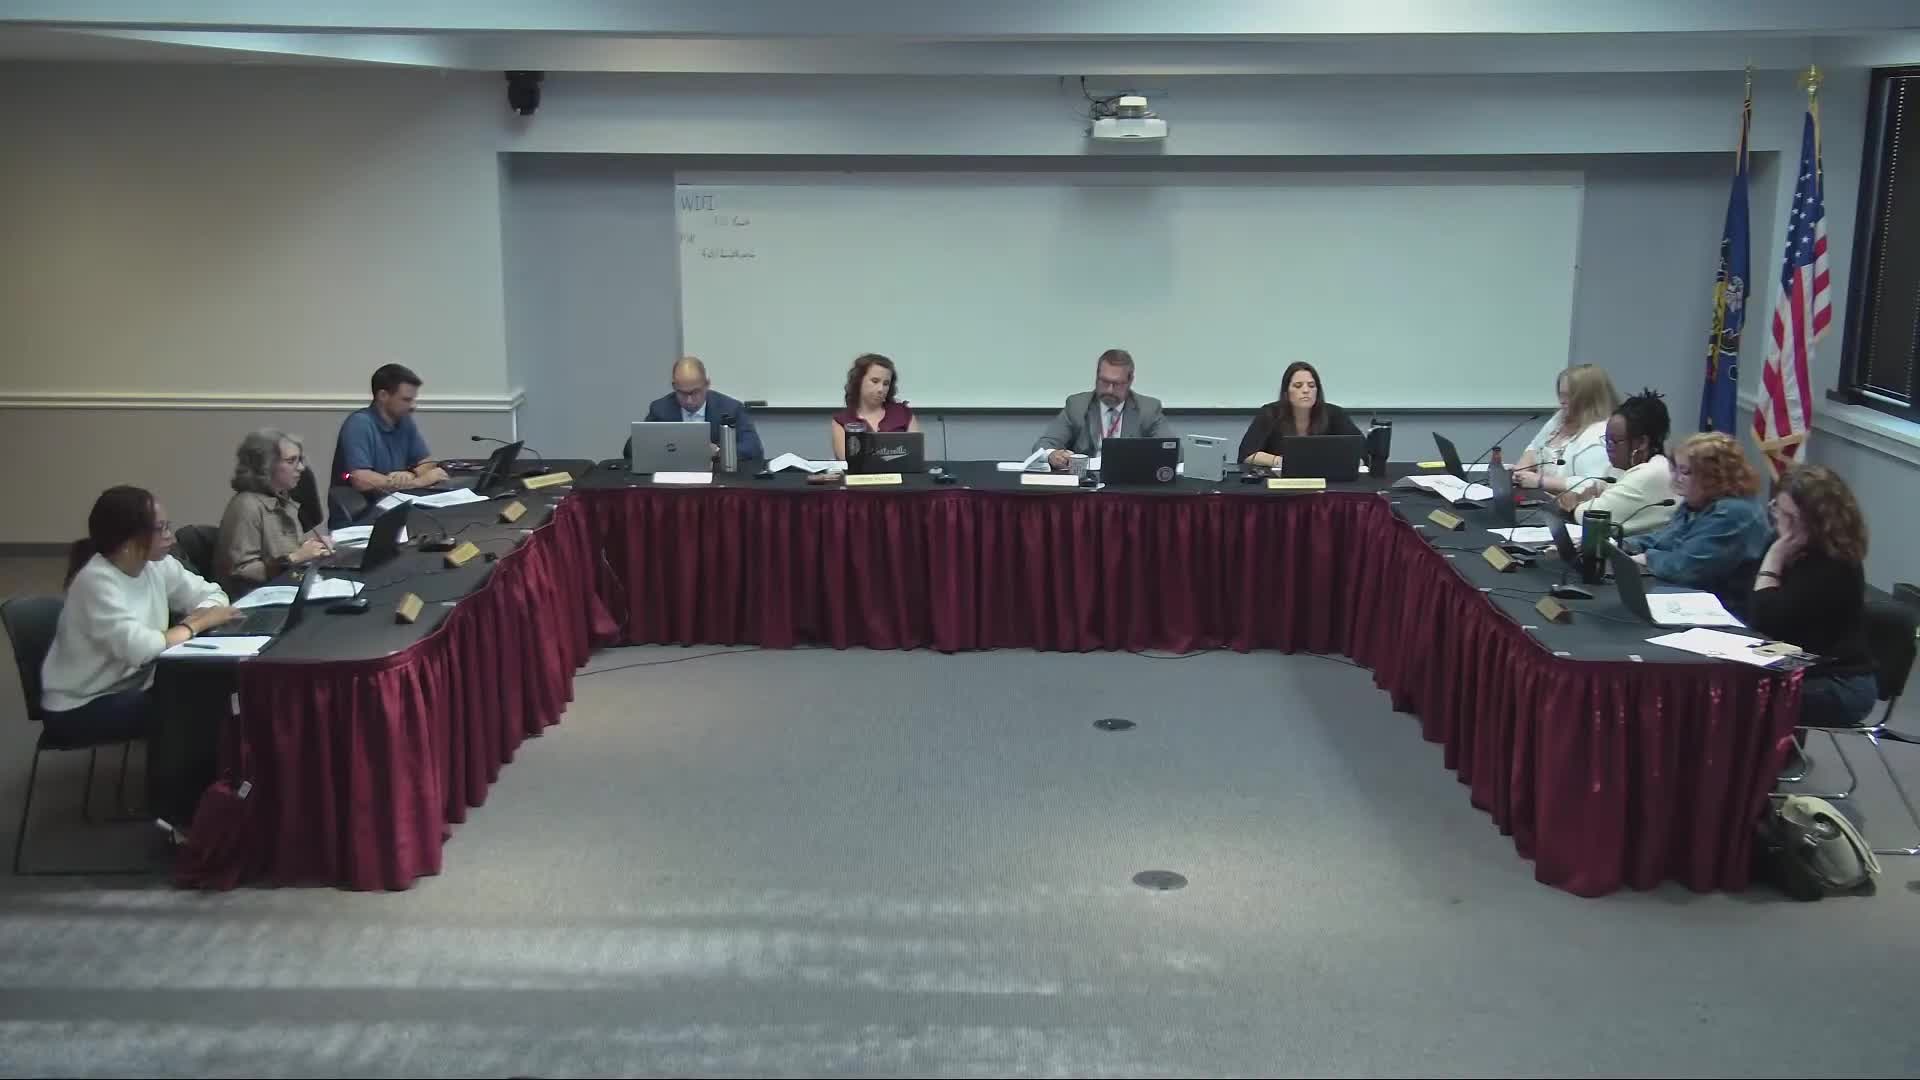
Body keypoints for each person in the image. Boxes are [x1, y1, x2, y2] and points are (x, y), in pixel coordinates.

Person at [40, 487, 240, 746]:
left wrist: (201, 615)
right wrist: (195, 624)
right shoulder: (96, 581)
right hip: (80, 706)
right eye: (160, 529)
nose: (170, 536)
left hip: (133, 684)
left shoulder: (156, 564)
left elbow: (214, 594)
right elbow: (140, 649)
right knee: (192, 705)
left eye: (168, 526)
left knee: (210, 686)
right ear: (127, 540)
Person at [1746, 465, 1877, 727]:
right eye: (1777, 509)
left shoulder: (1834, 565)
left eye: (1791, 517)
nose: (1780, 522)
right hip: (1799, 663)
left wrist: (1774, 558)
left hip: (1839, 682)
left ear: (1817, 524)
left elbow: (1766, 621)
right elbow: (1754, 606)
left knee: (1731, 699)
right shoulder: (1790, 547)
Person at [1618, 432, 1770, 608]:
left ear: (1714, 476)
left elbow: (1686, 568)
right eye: (1676, 469)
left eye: (1686, 472)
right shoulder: (1697, 503)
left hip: (1724, 611)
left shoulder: (1735, 513)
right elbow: (1665, 539)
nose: (1676, 478)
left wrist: (1647, 558)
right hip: (1689, 599)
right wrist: (1622, 544)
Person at [215, 429, 333, 597]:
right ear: (265, 466)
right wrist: (295, 558)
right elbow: (240, 571)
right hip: (254, 599)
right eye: (291, 461)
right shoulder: (246, 506)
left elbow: (283, 550)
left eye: (300, 460)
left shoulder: (283, 498)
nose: (301, 468)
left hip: (284, 588)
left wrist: (310, 547)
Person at [329, 363, 447, 525]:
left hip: (394, 510)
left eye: (413, 399)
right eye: (406, 400)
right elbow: (361, 479)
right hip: (361, 518)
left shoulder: (404, 421)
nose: (413, 406)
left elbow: (427, 463)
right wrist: (416, 482)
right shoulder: (359, 424)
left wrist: (410, 475)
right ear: (383, 396)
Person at [1554, 388, 1677, 536]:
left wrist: (1577, 504)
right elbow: (1590, 493)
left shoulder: (1652, 472)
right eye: (1606, 440)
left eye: (1614, 441)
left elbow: (1591, 517)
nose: (1608, 447)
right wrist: (1584, 499)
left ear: (1642, 442)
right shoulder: (1620, 467)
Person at [1033, 348, 1168, 471]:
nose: (1109, 390)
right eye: (1104, 381)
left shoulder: (1148, 409)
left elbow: (1171, 449)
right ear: (1096, 377)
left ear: (1130, 380)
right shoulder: (1077, 405)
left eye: (1117, 384)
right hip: (1086, 481)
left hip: (1129, 479)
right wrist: (1052, 455)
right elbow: (1043, 445)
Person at [620, 356, 764, 462]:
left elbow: (754, 448)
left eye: (695, 392)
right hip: (674, 478)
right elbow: (631, 449)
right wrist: (662, 448)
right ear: (674, 386)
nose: (689, 400)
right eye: (682, 393)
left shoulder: (730, 408)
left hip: (717, 479)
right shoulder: (661, 409)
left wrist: (718, 452)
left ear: (707, 384)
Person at [1513, 364, 1619, 496]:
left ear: (1589, 399)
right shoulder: (1561, 416)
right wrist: (1520, 470)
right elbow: (1535, 447)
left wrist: (1541, 481)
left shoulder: (1602, 433)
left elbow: (1594, 484)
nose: (1561, 401)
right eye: (1561, 394)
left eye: (1568, 396)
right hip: (1540, 498)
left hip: (1572, 505)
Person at [1236, 361, 1363, 469]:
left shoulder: (1335, 414)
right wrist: (1280, 461)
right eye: (1298, 386)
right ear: (1286, 391)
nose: (1306, 390)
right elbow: (1247, 455)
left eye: (1311, 386)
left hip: (1327, 482)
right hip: (1280, 483)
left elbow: (1362, 452)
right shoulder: (1270, 413)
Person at [829, 353, 920, 461]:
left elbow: (915, 457)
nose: (881, 389)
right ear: (858, 381)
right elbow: (847, 461)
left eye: (886, 383)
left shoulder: (904, 414)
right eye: (875, 381)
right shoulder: (842, 420)